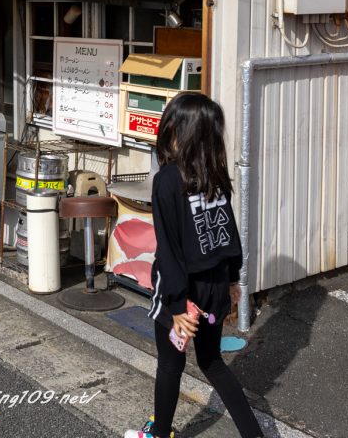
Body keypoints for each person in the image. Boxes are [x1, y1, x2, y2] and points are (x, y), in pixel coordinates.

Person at [124, 92, 263, 438]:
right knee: (211, 361)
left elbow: (169, 249)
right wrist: (232, 280)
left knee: (170, 364)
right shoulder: (216, 175)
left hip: (182, 292)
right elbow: (228, 234)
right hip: (214, 286)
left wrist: (175, 305)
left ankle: (159, 434)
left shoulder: (168, 180)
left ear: (179, 131)